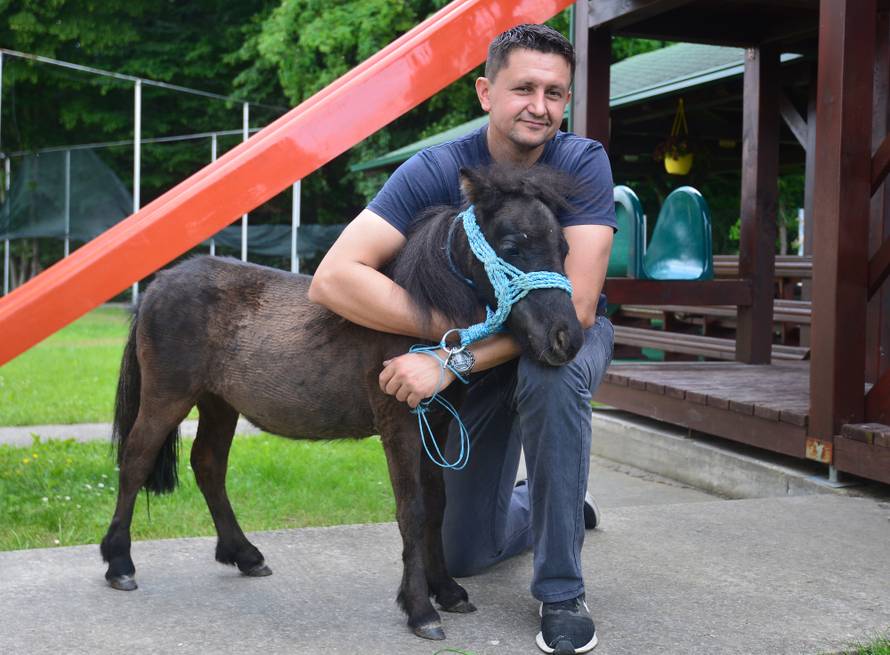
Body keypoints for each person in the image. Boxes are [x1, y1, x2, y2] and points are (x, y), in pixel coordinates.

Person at [308, 23, 616, 655]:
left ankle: (561, 593)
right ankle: (554, 503)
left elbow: (579, 311)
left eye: (555, 93)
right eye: (523, 88)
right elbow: (333, 279)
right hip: (480, 349)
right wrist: (450, 339)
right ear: (485, 92)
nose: (540, 106)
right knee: (464, 552)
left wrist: (453, 360)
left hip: (562, 337)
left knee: (552, 371)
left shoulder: (581, 162)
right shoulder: (436, 169)